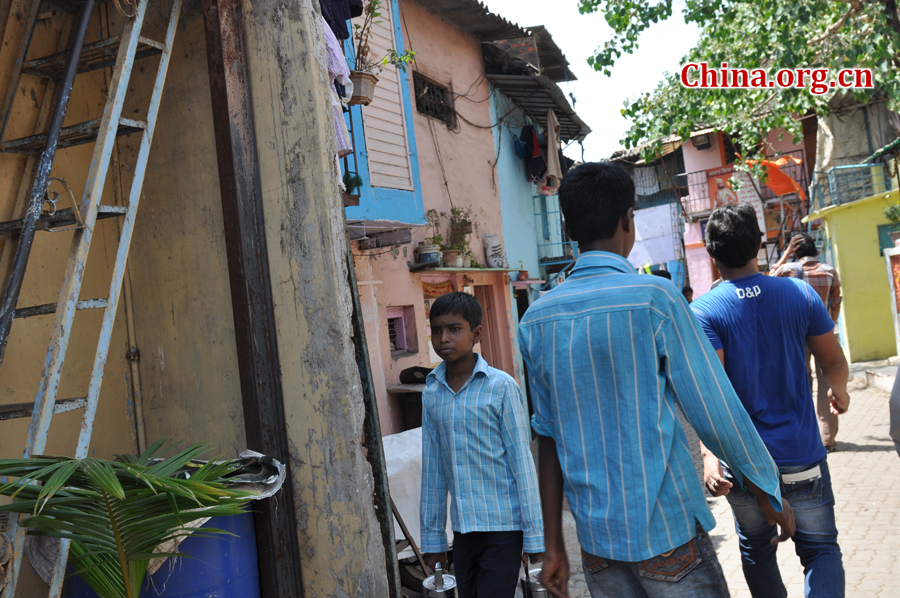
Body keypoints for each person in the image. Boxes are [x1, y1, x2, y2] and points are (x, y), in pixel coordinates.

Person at [518, 162, 794, 598]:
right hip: (668, 530)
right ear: (629, 220)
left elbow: (547, 439)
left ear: (568, 226)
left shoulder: (535, 319)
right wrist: (765, 485)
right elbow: (713, 406)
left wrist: (554, 546)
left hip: (597, 544)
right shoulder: (655, 298)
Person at [691, 204, 850, 598]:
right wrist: (840, 391)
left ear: (711, 254)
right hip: (802, 457)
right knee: (821, 550)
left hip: (743, 466)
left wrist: (711, 456)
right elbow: (833, 361)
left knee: (757, 551)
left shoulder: (703, 312)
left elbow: (712, 397)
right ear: (759, 245)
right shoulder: (798, 293)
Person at [420, 292, 544, 596]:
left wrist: (535, 537)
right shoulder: (432, 393)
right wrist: (433, 541)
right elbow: (433, 470)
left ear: (476, 334)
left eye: (454, 329)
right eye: (436, 330)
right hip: (463, 532)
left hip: (503, 527)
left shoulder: (501, 387)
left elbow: (522, 464)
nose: (444, 338)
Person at [770, 233, 843, 451]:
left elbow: (768, 278)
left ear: (796, 252)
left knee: (800, 384)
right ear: (816, 251)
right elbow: (836, 301)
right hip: (823, 333)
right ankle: (828, 439)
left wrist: (785, 255)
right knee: (826, 383)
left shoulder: (787, 271)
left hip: (794, 336)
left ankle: (805, 436)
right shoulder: (829, 271)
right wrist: (830, 325)